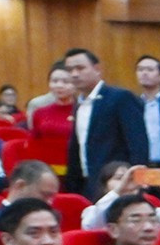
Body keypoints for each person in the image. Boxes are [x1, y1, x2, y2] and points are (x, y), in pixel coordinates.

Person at [61, 48, 149, 195]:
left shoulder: (120, 97)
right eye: (70, 70)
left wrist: (137, 183)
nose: (74, 74)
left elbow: (138, 144)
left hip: (119, 183)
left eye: (80, 68)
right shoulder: (79, 104)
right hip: (87, 183)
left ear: (97, 69)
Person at [0, 159, 60, 231]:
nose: (49, 202)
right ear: (20, 186)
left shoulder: (51, 217)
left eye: (52, 197)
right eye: (44, 195)